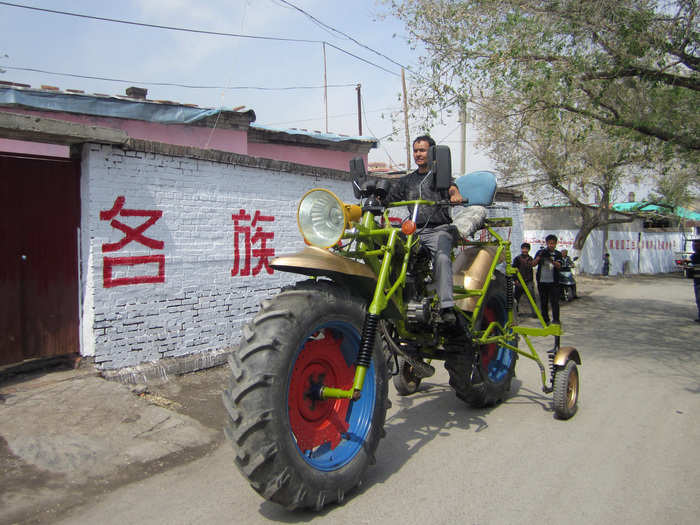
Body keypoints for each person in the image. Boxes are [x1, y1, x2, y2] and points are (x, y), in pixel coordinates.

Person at [385, 135, 463, 324]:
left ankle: (446, 307)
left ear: (433, 153)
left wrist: (456, 194)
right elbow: (389, 197)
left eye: (423, 150)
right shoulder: (407, 181)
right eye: (416, 150)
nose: (418, 154)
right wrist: (376, 199)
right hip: (413, 231)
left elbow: (452, 189)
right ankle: (394, 298)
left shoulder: (441, 177)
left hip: (438, 229)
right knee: (387, 250)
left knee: (442, 258)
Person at [531, 234, 564, 325]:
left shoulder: (558, 254)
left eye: (553, 243)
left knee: (555, 302)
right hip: (542, 281)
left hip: (554, 282)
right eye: (549, 243)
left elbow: (559, 265)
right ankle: (545, 320)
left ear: (556, 244)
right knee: (543, 302)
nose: (551, 245)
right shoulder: (540, 252)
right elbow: (533, 264)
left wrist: (551, 259)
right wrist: (539, 256)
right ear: (546, 243)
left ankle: (556, 320)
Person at [512, 242, 537, 317]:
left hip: (528, 281)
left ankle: (534, 312)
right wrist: (515, 280)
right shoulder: (517, 259)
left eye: (526, 249)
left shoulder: (530, 259)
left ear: (529, 250)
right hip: (519, 281)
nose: (524, 250)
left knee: (532, 298)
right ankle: (515, 312)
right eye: (523, 249)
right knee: (516, 298)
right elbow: (514, 270)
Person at [691, 239, 700, 323]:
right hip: (697, 281)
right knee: (698, 300)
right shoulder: (694, 256)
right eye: (693, 246)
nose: (694, 247)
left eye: (696, 245)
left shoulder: (695, 256)